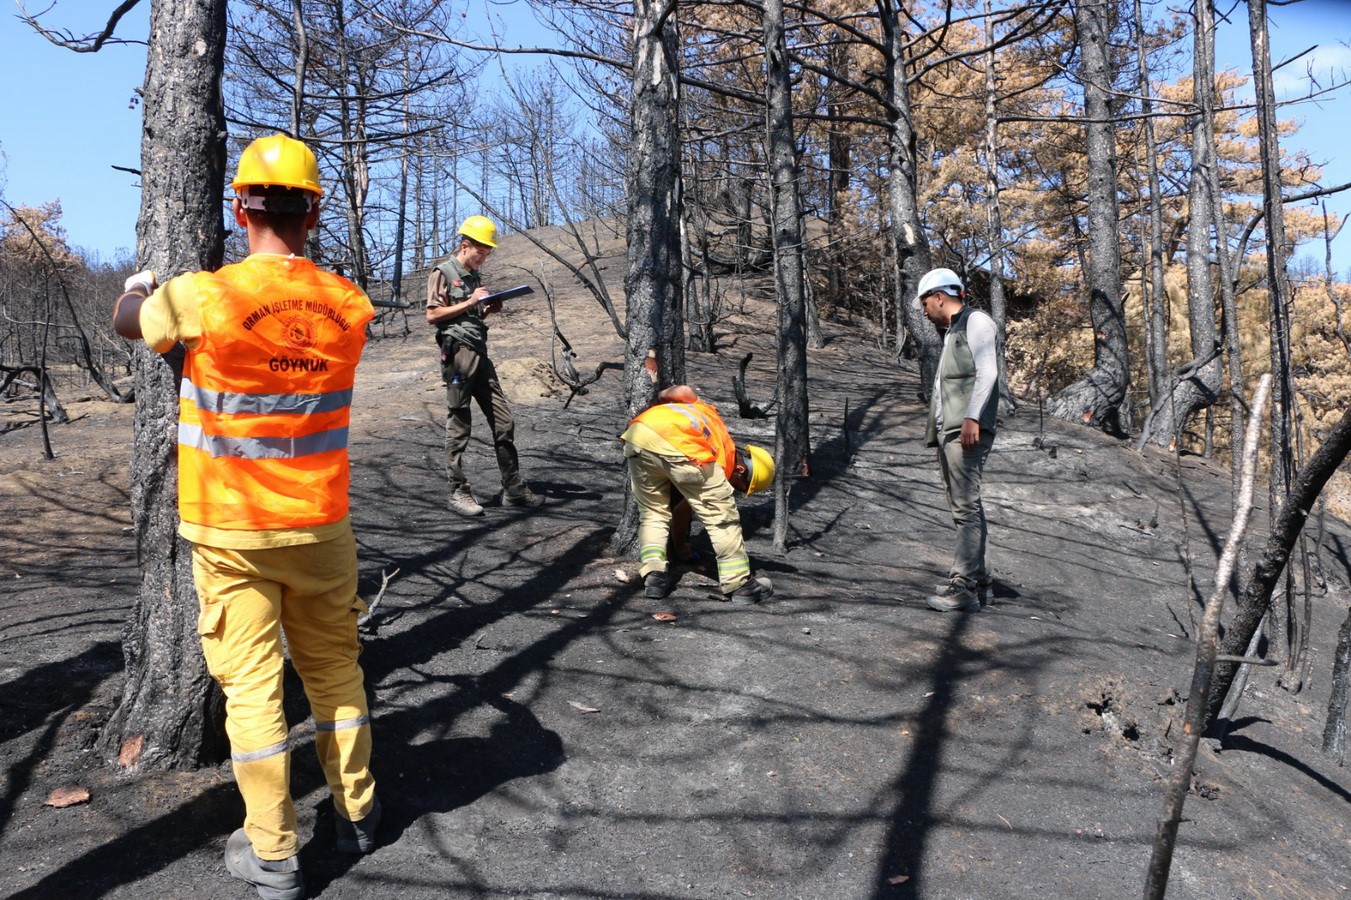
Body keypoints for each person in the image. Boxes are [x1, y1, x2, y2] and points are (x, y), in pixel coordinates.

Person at [112, 133, 380, 900]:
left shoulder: (203, 296)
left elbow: (130, 322)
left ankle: (274, 853)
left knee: (255, 691)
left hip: (231, 533)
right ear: (315, 213)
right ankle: (359, 813)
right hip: (323, 525)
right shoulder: (349, 303)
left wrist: (137, 287)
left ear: (239, 208)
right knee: (335, 672)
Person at [427, 215, 542, 516]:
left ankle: (513, 488)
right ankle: (458, 491)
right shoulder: (443, 272)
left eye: (488, 254)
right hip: (458, 355)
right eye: (482, 253)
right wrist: (470, 302)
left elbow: (471, 319)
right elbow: (434, 315)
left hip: (480, 352)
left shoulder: (474, 278)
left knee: (504, 420)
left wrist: (488, 308)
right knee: (460, 422)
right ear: (466, 246)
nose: (484, 259)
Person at [621, 385, 775, 603]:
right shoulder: (718, 461)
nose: (734, 490)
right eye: (739, 487)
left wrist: (659, 400)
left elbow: (683, 390)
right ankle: (740, 584)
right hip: (683, 448)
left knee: (653, 513)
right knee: (723, 520)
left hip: (639, 436)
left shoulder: (707, 415)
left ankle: (654, 576)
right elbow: (708, 515)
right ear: (741, 470)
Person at [919, 267, 999, 613]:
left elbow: (988, 371)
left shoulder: (976, 321)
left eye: (925, 304)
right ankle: (978, 580)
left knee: (966, 507)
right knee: (964, 506)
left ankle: (963, 587)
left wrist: (971, 417)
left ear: (940, 297)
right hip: (951, 430)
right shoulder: (953, 330)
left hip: (966, 430)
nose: (924, 312)